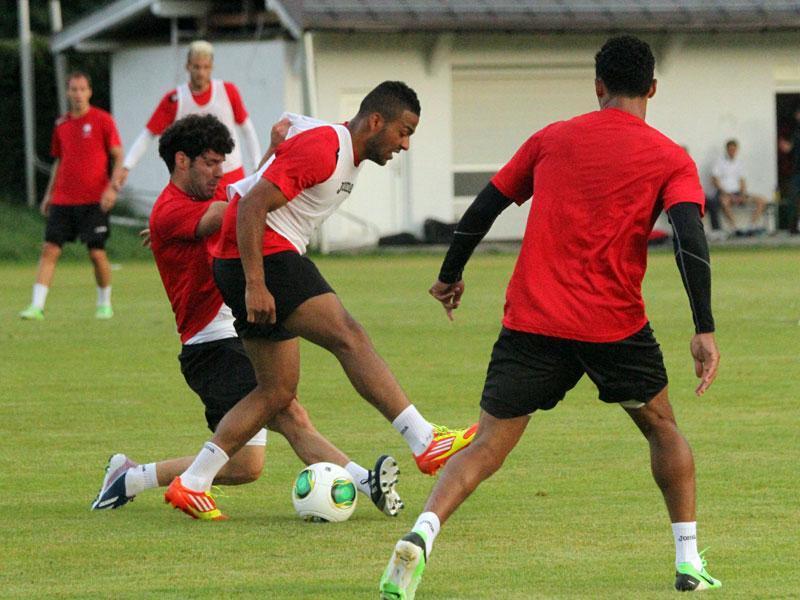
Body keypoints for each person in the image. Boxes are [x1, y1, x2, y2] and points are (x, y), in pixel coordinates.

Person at [379, 36, 722, 598]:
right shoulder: (670, 157)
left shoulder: (551, 138)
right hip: (615, 327)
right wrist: (703, 327)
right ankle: (689, 561)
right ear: (653, 89)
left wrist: (450, 273)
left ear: (598, 86)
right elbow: (690, 238)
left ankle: (422, 533)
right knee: (662, 429)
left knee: (486, 445)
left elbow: (485, 206)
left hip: (533, 321)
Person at [163, 81, 477, 520]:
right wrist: (256, 283)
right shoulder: (325, 149)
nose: (404, 145)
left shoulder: (337, 145)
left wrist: (282, 132)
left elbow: (291, 128)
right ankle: (424, 440)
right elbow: (251, 205)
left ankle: (193, 481)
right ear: (375, 121)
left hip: (243, 262)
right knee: (349, 335)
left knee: (276, 391)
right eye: (403, 132)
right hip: (266, 255)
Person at [91, 114, 403, 520]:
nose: (219, 172)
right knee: (288, 415)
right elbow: (244, 207)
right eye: (210, 163)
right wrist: (286, 168)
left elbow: (249, 194)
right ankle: (366, 483)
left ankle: (131, 478)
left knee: (248, 464)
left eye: (222, 163)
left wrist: (274, 153)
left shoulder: (200, 201)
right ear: (181, 161)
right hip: (211, 343)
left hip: (235, 330)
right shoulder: (170, 210)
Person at [19, 71, 123, 321]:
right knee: (50, 249)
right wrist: (49, 194)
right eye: (74, 89)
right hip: (63, 199)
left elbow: (118, 155)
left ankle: (104, 303)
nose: (78, 94)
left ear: (89, 92)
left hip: (94, 200)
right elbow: (59, 160)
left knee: (96, 253)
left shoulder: (103, 120)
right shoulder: (61, 125)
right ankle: (36, 306)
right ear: (67, 93)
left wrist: (112, 188)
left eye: (82, 89)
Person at [114, 40, 261, 200]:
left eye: (205, 67)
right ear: (188, 66)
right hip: (196, 181)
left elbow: (248, 129)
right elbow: (148, 134)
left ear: (211, 67)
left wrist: (257, 167)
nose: (201, 73)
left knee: (234, 215)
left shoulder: (228, 91)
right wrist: (127, 167)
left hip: (231, 174)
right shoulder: (174, 99)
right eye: (196, 67)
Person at [710, 139, 768, 235]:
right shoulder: (719, 162)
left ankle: (751, 226)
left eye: (734, 150)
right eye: (730, 150)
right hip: (725, 193)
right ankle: (734, 227)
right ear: (727, 150)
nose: (732, 152)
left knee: (761, 200)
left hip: (738, 193)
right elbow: (715, 181)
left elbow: (742, 181)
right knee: (724, 202)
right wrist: (727, 194)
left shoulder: (739, 163)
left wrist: (742, 194)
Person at [778, 105, 800, 234]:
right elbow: (789, 148)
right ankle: (793, 226)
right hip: (797, 171)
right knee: (794, 198)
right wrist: (784, 146)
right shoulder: (796, 131)